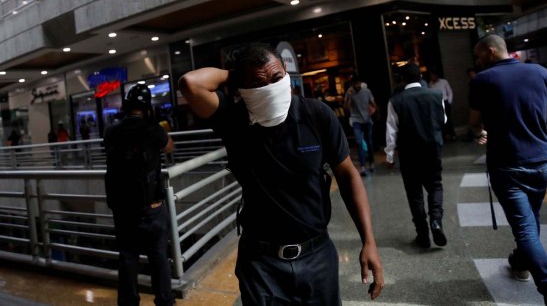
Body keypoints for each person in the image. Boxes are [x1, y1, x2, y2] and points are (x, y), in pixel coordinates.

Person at [178, 42, 383, 305]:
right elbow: (190, 84)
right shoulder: (234, 120)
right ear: (243, 88)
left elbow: (348, 175)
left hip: (317, 255)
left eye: (276, 78)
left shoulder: (315, 114)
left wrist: (369, 241)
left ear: (286, 71)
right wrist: (235, 73)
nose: (270, 89)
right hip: (261, 263)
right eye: (257, 83)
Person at [469, 34, 547, 305]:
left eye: (479, 55)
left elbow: (474, 122)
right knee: (531, 219)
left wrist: (481, 132)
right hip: (540, 160)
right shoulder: (540, 72)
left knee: (525, 228)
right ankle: (520, 263)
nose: (478, 61)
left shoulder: (482, 80)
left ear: (490, 51)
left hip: (506, 165)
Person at [104, 84, 175, 306]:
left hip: (122, 206)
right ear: (147, 107)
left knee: (127, 255)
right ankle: (164, 300)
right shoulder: (152, 128)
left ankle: (129, 301)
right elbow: (169, 147)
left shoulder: (112, 130)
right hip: (151, 206)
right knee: (158, 255)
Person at [385, 63, 448, 248]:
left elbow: (391, 131)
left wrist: (389, 157)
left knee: (414, 193)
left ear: (402, 79)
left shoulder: (396, 100)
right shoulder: (436, 95)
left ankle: (423, 235)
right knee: (435, 186)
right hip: (432, 150)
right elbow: (442, 120)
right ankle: (436, 220)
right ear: (421, 76)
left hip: (408, 152)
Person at [345, 75, 377, 175]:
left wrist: (373, 110)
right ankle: (363, 167)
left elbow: (373, 104)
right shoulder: (350, 93)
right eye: (355, 84)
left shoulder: (366, 91)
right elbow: (346, 108)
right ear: (352, 85)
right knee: (358, 142)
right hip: (356, 120)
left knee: (369, 142)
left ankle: (371, 163)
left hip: (367, 120)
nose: (357, 86)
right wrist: (349, 96)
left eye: (358, 83)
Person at [428, 69, 455, 141]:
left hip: (445, 102)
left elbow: (450, 92)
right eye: (431, 75)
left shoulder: (444, 82)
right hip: (437, 104)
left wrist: (449, 101)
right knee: (440, 121)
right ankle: (444, 136)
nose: (432, 77)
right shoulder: (430, 84)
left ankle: (452, 135)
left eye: (433, 75)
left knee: (448, 120)